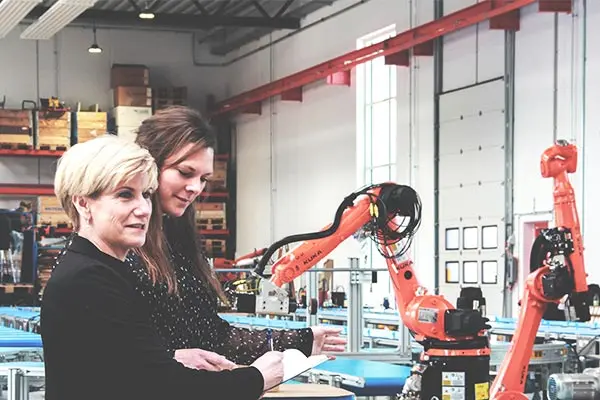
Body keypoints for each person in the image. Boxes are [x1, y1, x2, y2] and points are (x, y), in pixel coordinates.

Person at [40, 135, 284, 400]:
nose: (144, 209)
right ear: (83, 203)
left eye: (146, 195)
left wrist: (170, 358)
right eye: (125, 195)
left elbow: (124, 369)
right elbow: (163, 386)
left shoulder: (106, 271)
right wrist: (256, 378)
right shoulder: (88, 279)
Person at [126, 106, 346, 371]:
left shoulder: (179, 243)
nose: (195, 187)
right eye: (185, 172)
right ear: (148, 166)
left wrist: (300, 341)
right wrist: (169, 358)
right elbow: (100, 350)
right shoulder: (120, 250)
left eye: (203, 178)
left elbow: (214, 337)